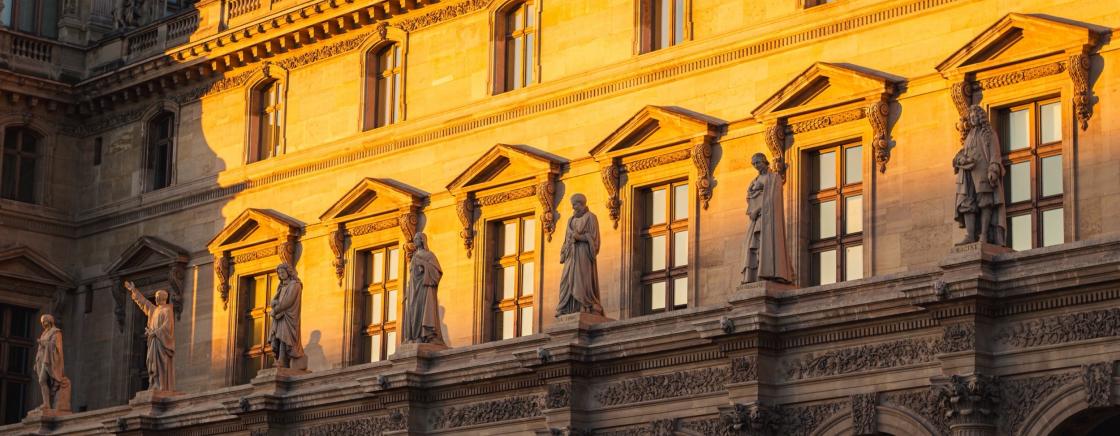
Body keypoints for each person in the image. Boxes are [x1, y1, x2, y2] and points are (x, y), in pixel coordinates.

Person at [954, 104, 1007, 246]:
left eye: (974, 116)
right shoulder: (969, 135)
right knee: (967, 202)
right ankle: (970, 235)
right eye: (970, 117)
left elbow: (995, 154)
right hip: (967, 173)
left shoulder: (989, 133)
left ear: (980, 117)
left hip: (983, 172)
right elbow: (962, 153)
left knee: (985, 202)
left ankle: (984, 234)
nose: (972, 119)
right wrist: (961, 159)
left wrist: (993, 169)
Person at [742, 153, 793, 283]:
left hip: (767, 219)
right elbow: (750, 197)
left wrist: (758, 210)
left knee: (765, 243)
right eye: (753, 164)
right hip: (755, 218)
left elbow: (772, 198)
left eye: (757, 163)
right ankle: (754, 275)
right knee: (752, 245)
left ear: (764, 161)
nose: (755, 166)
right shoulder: (754, 180)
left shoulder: (774, 178)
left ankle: (768, 272)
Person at [556, 193, 604, 316]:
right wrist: (564, 250)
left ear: (582, 204)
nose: (573, 208)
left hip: (583, 254)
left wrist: (581, 237)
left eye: (575, 205)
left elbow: (594, 239)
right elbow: (565, 239)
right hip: (571, 255)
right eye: (572, 205)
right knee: (566, 281)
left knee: (581, 279)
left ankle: (585, 305)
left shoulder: (591, 217)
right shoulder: (570, 220)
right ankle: (567, 307)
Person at [125, 281, 175, 391]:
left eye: (157, 297)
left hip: (161, 343)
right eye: (156, 297)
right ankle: (154, 384)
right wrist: (134, 290)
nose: (156, 299)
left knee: (160, 365)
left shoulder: (167, 310)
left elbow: (167, 327)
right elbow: (144, 303)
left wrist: (154, 332)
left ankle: (161, 386)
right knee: (152, 364)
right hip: (153, 342)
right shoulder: (154, 310)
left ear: (163, 298)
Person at [402, 233, 445, 345]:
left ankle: (422, 336)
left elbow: (437, 272)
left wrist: (423, 264)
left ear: (422, 240)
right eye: (414, 239)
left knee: (421, 310)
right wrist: (407, 291)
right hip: (413, 289)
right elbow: (411, 276)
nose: (414, 241)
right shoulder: (414, 256)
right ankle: (413, 337)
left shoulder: (429, 255)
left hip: (424, 287)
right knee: (412, 311)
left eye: (417, 239)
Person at [270, 263, 305, 368]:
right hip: (280, 316)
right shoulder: (281, 287)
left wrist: (276, 309)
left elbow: (288, 301)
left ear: (288, 272)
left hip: (289, 315)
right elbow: (276, 300)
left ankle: (283, 360)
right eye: (279, 273)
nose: (281, 274)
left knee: (285, 337)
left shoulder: (295, 285)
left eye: (283, 272)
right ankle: (281, 359)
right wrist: (274, 305)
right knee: (279, 337)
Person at [34, 314, 70, 412]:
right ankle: (46, 404)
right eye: (42, 322)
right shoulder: (44, 333)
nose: (43, 324)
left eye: (45, 321)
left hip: (49, 360)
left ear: (50, 321)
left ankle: (46, 404)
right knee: (43, 381)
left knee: (42, 380)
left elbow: (55, 346)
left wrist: (43, 343)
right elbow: (40, 349)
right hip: (42, 360)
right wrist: (36, 361)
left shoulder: (56, 332)